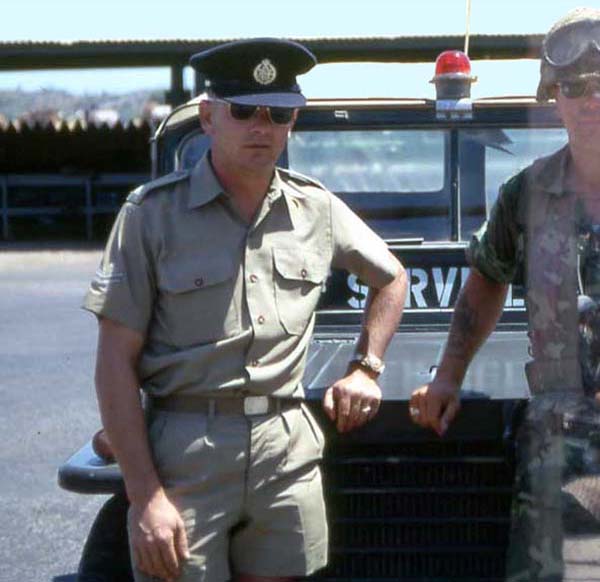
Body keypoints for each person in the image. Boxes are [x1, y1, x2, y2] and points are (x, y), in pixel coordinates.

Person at [82, 38, 406, 582]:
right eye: (243, 111)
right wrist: (144, 499)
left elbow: (392, 276)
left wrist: (366, 367)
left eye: (278, 113)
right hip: (186, 451)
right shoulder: (151, 217)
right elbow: (114, 363)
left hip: (286, 449)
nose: (262, 126)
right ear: (208, 118)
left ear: (292, 123)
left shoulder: (317, 209)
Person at [409, 8, 600, 582]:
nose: (591, 101)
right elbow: (487, 277)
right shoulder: (529, 193)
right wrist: (447, 375)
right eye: (575, 87)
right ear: (554, 98)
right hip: (558, 448)